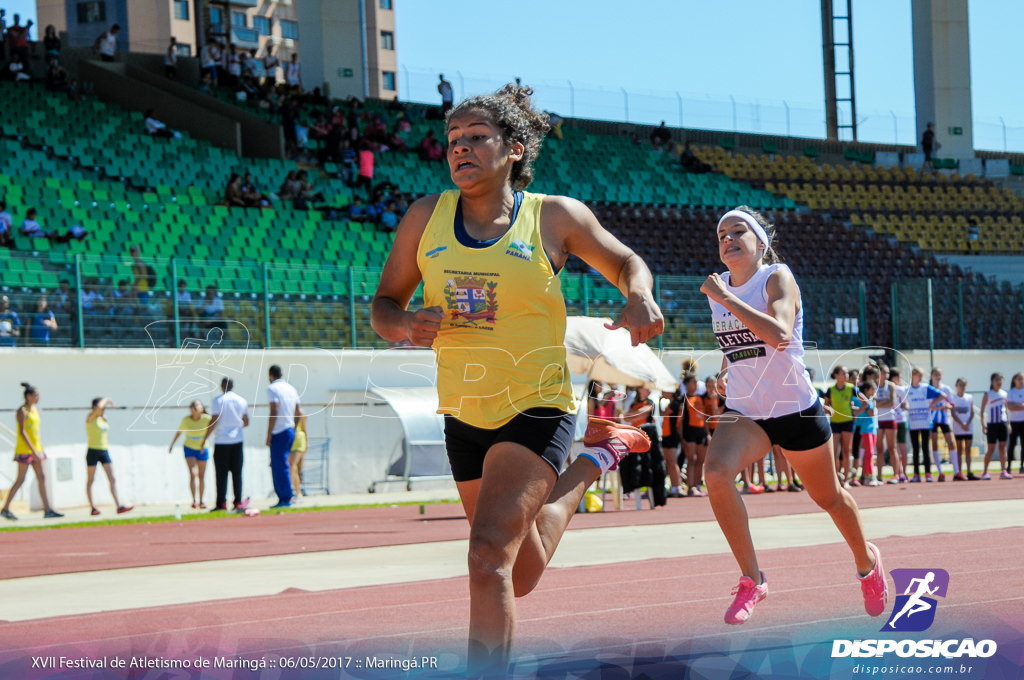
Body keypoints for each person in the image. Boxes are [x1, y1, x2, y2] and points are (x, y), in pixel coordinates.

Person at [369, 83, 662, 675]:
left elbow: (627, 262)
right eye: (453, 140)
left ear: (515, 148)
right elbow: (382, 305)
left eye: (477, 137)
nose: (461, 149)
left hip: (536, 403)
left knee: (485, 559)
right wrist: (404, 323)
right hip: (462, 409)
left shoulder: (553, 217)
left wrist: (639, 296)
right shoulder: (425, 217)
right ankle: (597, 461)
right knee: (518, 573)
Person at [700, 206, 886, 625]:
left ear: (760, 242)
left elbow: (781, 336)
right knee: (715, 474)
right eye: (721, 234)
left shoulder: (776, 277)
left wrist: (725, 298)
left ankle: (867, 564)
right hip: (747, 412)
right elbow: (741, 343)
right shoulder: (721, 288)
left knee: (829, 498)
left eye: (737, 231)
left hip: (794, 409)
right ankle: (753, 579)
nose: (727, 238)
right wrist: (728, 370)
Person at [1, 383, 64, 520]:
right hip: (25, 450)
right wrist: (33, 450)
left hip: (36, 449)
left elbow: (35, 433)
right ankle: (5, 508)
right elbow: (23, 432)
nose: (38, 397)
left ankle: (48, 510)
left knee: (42, 477)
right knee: (20, 479)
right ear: (28, 396)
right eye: (36, 395)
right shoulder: (22, 411)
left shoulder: (35, 410)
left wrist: (40, 448)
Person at [201, 377, 250, 511]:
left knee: (221, 474)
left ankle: (221, 503)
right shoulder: (242, 400)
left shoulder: (218, 400)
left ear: (221, 387)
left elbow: (215, 419)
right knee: (237, 473)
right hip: (237, 440)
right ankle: (238, 502)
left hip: (222, 440)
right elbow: (246, 421)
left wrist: (205, 437)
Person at [84, 397, 133, 516]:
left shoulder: (102, 419)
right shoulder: (90, 418)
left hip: (103, 450)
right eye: (102, 407)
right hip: (93, 451)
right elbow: (100, 407)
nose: (104, 409)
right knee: (91, 479)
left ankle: (119, 505)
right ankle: (93, 507)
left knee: (112, 478)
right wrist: (106, 399)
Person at [266, 364, 303, 508]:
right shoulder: (291, 388)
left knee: (279, 465)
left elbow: (274, 410)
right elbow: (298, 411)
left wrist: (269, 434)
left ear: (270, 376)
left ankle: (285, 497)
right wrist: (293, 426)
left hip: (279, 431)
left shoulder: (272, 389)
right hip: (290, 430)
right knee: (283, 464)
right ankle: (286, 496)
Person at [168, 400, 212, 509]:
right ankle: (194, 500)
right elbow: (179, 432)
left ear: (202, 408)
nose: (196, 407)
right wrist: (172, 444)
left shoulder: (207, 419)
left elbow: (213, 428)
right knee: (193, 473)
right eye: (193, 406)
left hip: (202, 448)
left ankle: (202, 501)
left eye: (198, 405)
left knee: (201, 476)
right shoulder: (186, 420)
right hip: (189, 448)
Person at [905, 367, 946, 482]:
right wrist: (905, 407)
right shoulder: (908, 389)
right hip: (913, 422)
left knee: (925, 449)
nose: (921, 378)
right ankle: (916, 474)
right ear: (913, 376)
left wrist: (932, 404)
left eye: (921, 376)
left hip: (925, 422)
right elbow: (901, 401)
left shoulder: (925, 388)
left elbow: (942, 395)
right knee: (915, 450)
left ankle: (928, 473)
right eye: (919, 375)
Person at [825, 365, 856, 486]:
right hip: (835, 422)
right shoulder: (831, 389)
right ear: (836, 375)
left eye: (847, 373)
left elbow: (865, 400)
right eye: (843, 373)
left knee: (847, 451)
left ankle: (846, 479)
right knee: (835, 451)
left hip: (847, 421)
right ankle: (837, 478)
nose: (846, 376)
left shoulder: (851, 388)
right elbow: (826, 404)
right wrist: (827, 409)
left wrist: (858, 411)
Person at [979, 373, 1010, 480]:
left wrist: (1008, 424)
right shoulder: (988, 394)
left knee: (1002, 447)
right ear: (992, 382)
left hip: (1002, 423)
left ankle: (1003, 471)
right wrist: (983, 425)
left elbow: (1005, 410)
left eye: (1001, 380)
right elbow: (982, 410)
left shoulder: (1004, 394)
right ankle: (985, 471)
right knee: (991, 449)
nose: (999, 382)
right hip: (992, 424)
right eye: (997, 380)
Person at [928, 367, 957, 482]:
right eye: (935, 374)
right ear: (931, 376)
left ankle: (957, 471)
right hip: (932, 419)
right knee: (934, 443)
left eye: (939, 375)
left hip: (945, 419)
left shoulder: (946, 389)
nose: (937, 377)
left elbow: (952, 404)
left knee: (951, 442)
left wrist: (947, 406)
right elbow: (929, 407)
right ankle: (940, 472)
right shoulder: (928, 389)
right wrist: (939, 406)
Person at [851, 381, 880, 486]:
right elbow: (871, 412)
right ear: (867, 390)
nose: (874, 391)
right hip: (865, 428)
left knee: (871, 453)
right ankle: (869, 475)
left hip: (873, 428)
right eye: (873, 388)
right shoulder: (864, 400)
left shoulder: (872, 400)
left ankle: (867, 475)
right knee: (870, 452)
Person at [949, 378, 975, 481]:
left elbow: (972, 412)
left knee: (968, 450)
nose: (962, 387)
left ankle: (969, 471)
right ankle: (959, 472)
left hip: (968, 427)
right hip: (958, 427)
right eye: (960, 385)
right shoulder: (953, 398)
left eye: (964, 385)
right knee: (959, 450)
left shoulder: (969, 397)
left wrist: (967, 423)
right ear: (956, 386)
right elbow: (953, 413)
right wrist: (961, 424)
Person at [1006, 372, 1024, 474]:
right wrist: (1020, 406)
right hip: (1013, 422)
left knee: (1023, 444)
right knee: (1012, 444)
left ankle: (1022, 465)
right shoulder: (1011, 392)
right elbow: (1010, 407)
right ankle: (1009, 466)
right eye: (1019, 379)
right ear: (1015, 380)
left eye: (1022, 379)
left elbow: (1013, 406)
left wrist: (1016, 405)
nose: (1021, 381)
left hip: (1023, 421)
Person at [290, 418, 308, 501]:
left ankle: (298, 493)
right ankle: (293, 491)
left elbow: (304, 429)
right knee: (292, 468)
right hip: (290, 441)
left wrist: (306, 444)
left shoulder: (301, 413)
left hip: (299, 442)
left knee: (292, 466)